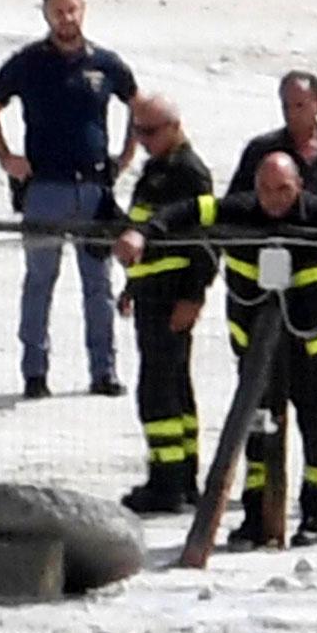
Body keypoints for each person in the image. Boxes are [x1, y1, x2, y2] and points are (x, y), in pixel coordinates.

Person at [117, 151, 317, 546]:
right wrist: (143, 232)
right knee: (259, 432)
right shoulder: (239, 209)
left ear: (298, 187)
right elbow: (186, 211)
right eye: (264, 189)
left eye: (283, 189)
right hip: (258, 350)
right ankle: (258, 519)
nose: (273, 198)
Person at [221, 71, 317, 541]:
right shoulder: (262, 153)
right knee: (260, 420)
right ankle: (258, 517)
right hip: (262, 308)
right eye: (287, 105)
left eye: (301, 105)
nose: (294, 114)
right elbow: (232, 208)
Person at [0, 0, 137, 399]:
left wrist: (126, 155)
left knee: (97, 284)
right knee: (39, 281)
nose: (66, 18)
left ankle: (103, 371)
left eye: (72, 9)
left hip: (95, 191)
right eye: (57, 11)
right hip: (45, 188)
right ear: (46, 13)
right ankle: (34, 372)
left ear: (83, 8)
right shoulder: (27, 63)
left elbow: (138, 105)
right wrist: (6, 157)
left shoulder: (106, 64)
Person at [115, 93, 216, 514]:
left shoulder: (188, 172)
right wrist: (132, 288)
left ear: (175, 128)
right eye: (137, 131)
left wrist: (193, 296)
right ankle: (179, 477)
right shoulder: (157, 169)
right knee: (171, 385)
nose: (142, 140)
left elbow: (205, 243)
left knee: (160, 391)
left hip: (173, 295)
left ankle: (169, 482)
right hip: (152, 293)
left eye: (150, 131)